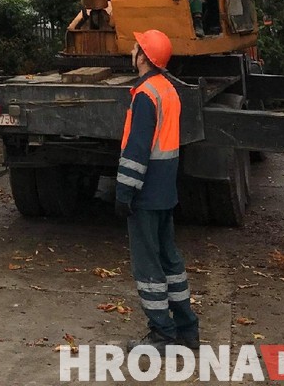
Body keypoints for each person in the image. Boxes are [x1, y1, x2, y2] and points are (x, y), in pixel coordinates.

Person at [115, 29, 200, 352]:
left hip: (145, 195)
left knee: (148, 266)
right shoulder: (168, 90)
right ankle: (186, 328)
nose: (132, 49)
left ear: (144, 57)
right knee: (170, 261)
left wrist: (124, 193)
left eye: (136, 46)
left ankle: (162, 335)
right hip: (165, 192)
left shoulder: (145, 95)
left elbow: (137, 150)